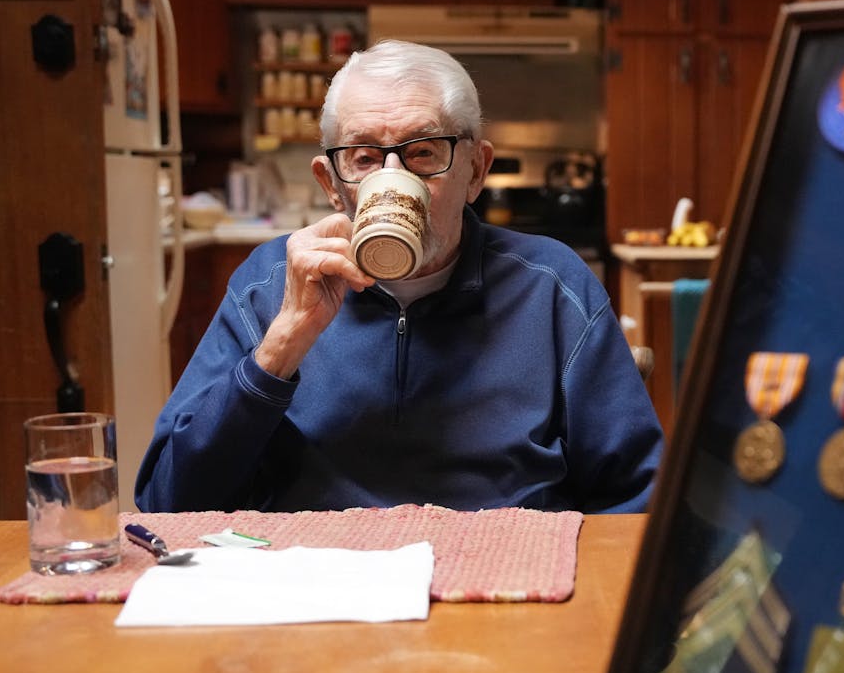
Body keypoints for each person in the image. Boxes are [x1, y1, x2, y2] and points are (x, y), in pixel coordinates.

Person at [135, 40, 662, 514]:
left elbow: (638, 499)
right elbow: (168, 503)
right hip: (317, 596)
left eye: (423, 153)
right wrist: (281, 347)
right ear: (331, 182)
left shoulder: (552, 287)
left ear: (476, 171)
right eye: (364, 158)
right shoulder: (270, 285)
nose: (393, 180)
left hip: (504, 592)